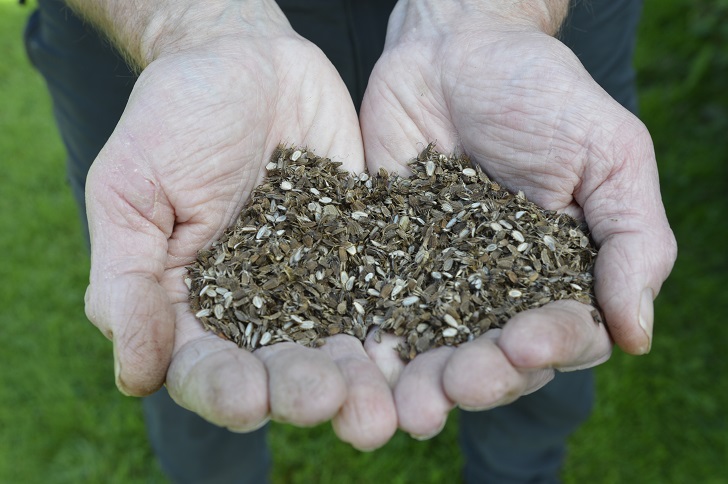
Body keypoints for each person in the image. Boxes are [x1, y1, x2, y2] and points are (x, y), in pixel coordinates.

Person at [24, 0, 677, 482]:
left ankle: (520, 470)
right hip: (162, 31)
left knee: (547, 309)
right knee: (175, 309)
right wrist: (194, 22)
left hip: (515, 28)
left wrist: (486, 17)